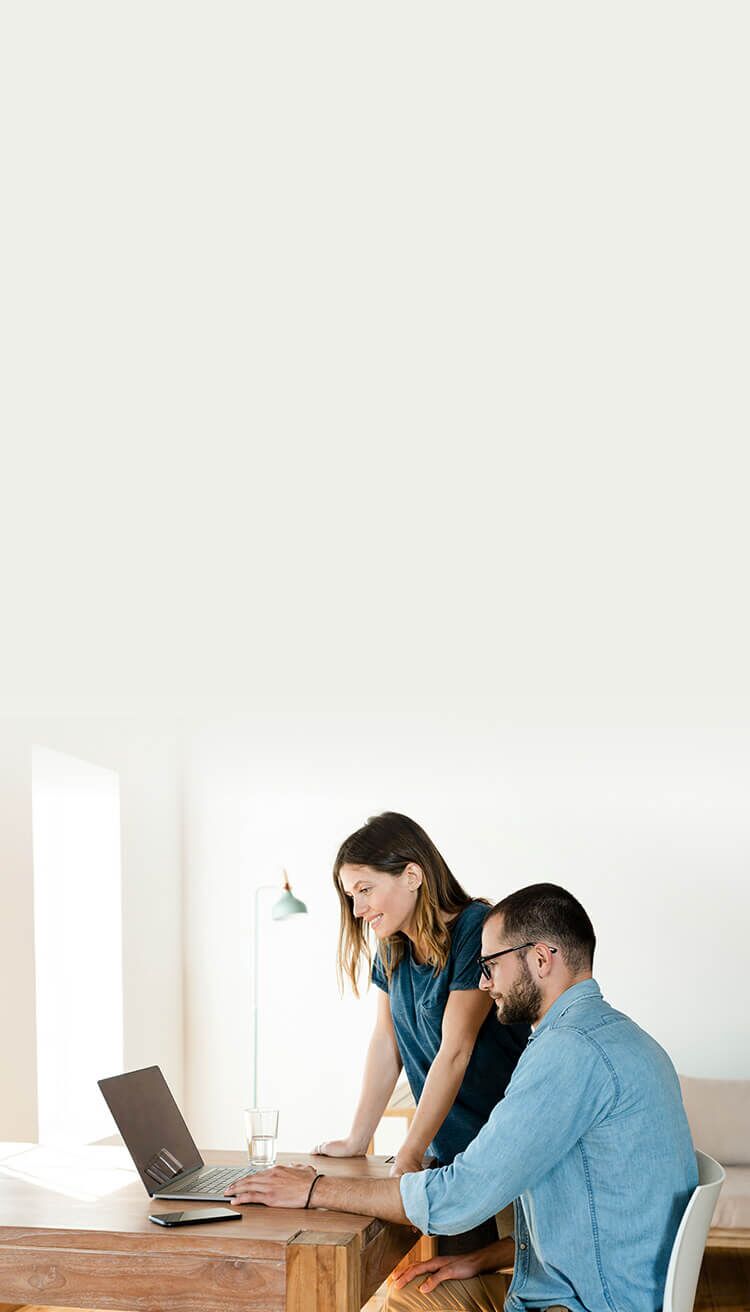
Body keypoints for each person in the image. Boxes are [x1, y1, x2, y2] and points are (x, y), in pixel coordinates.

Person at [226, 883, 699, 1312]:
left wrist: (314, 1189)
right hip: (616, 1287)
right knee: (413, 1291)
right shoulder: (619, 1037)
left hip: (587, 1302)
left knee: (404, 1300)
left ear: (540, 958)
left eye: (491, 965)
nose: (484, 983)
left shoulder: (569, 1052)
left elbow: (460, 1197)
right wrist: (487, 1258)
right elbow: (600, 1207)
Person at [314, 811, 529, 1251]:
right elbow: (385, 1042)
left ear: (412, 875)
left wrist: (409, 1154)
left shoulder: (477, 929)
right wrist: (357, 1139)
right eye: (350, 896)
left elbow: (456, 1050)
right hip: (451, 1155)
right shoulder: (392, 943)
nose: (357, 910)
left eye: (365, 890)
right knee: (445, 1284)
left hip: (501, 1153)